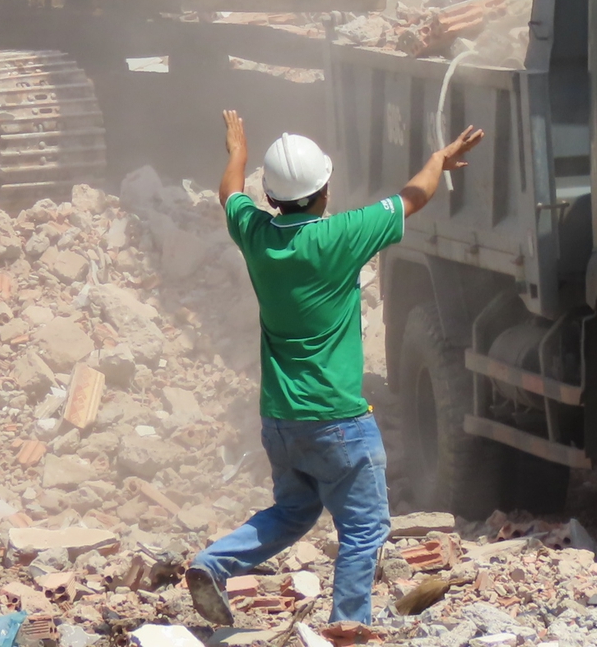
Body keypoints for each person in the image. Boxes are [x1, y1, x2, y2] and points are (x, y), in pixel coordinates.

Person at [185, 110, 485, 634]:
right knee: (366, 529)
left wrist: (238, 150)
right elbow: (414, 197)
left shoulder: (255, 234)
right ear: (324, 190)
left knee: (293, 512)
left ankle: (214, 563)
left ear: (272, 198)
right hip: (339, 421)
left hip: (281, 421)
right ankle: (348, 628)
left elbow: (229, 192)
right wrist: (439, 159)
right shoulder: (342, 236)